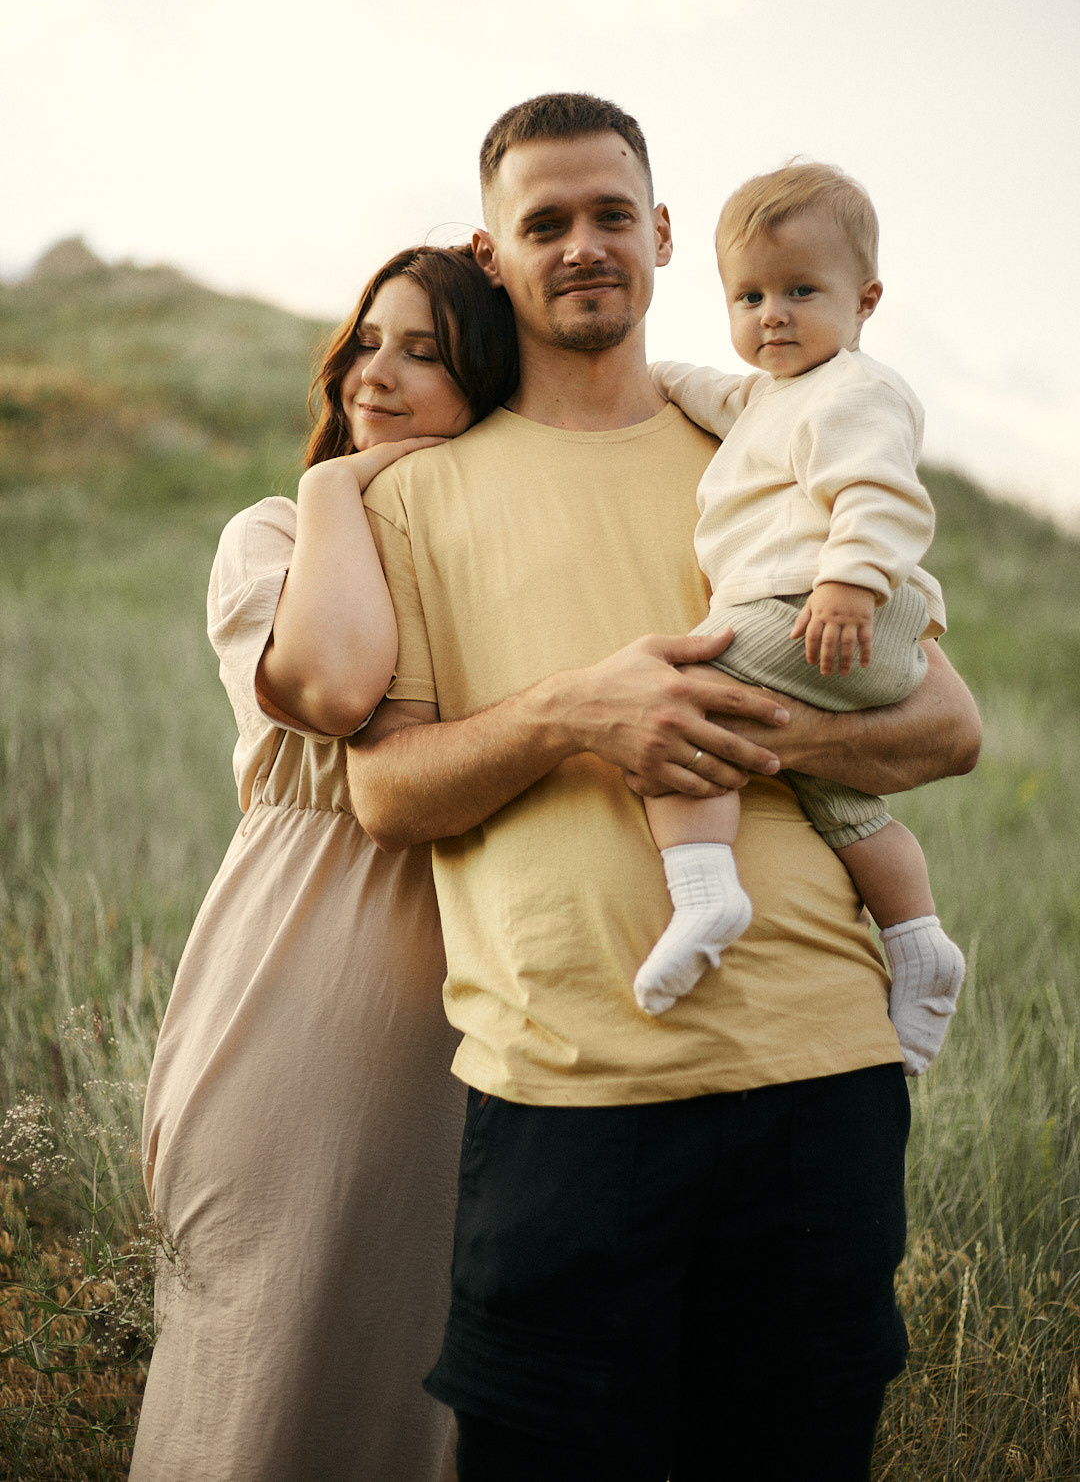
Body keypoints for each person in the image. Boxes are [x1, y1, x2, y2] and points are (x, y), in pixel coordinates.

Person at [346, 94, 981, 1480]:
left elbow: (946, 727)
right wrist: (580, 713)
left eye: (612, 215)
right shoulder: (415, 497)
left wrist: (722, 728)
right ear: (492, 250)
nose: (584, 245)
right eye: (546, 222)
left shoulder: (771, 435)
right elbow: (386, 796)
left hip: (820, 1078)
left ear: (663, 235)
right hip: (568, 1092)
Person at [130, 246, 518, 1482]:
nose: (378, 374)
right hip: (287, 1001)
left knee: (411, 1399)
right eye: (368, 341)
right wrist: (350, 491)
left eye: (427, 352)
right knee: (254, 1390)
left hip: (469, 1024)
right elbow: (340, 686)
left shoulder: (505, 556)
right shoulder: (275, 535)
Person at [632, 162, 966, 1077]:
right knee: (844, 802)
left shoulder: (855, 390)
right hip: (831, 624)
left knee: (679, 710)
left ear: (865, 300)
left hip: (826, 610)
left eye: (799, 291)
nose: (770, 314)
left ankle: (705, 893)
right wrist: (646, 371)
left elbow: (880, 492)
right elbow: (703, 388)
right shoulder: (766, 398)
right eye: (748, 296)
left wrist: (849, 583)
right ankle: (919, 941)